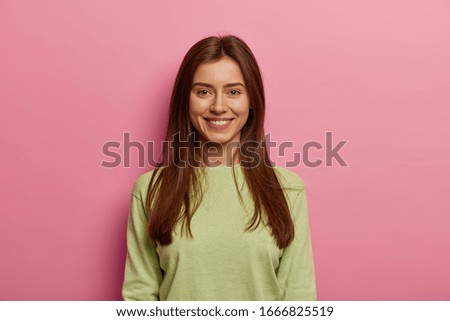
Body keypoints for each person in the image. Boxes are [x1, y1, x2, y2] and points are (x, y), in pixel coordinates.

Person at [122, 34, 317, 301]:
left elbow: (299, 298)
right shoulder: (150, 190)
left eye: (233, 92)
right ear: (185, 100)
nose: (218, 106)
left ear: (252, 100)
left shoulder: (288, 189)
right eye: (203, 91)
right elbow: (139, 297)